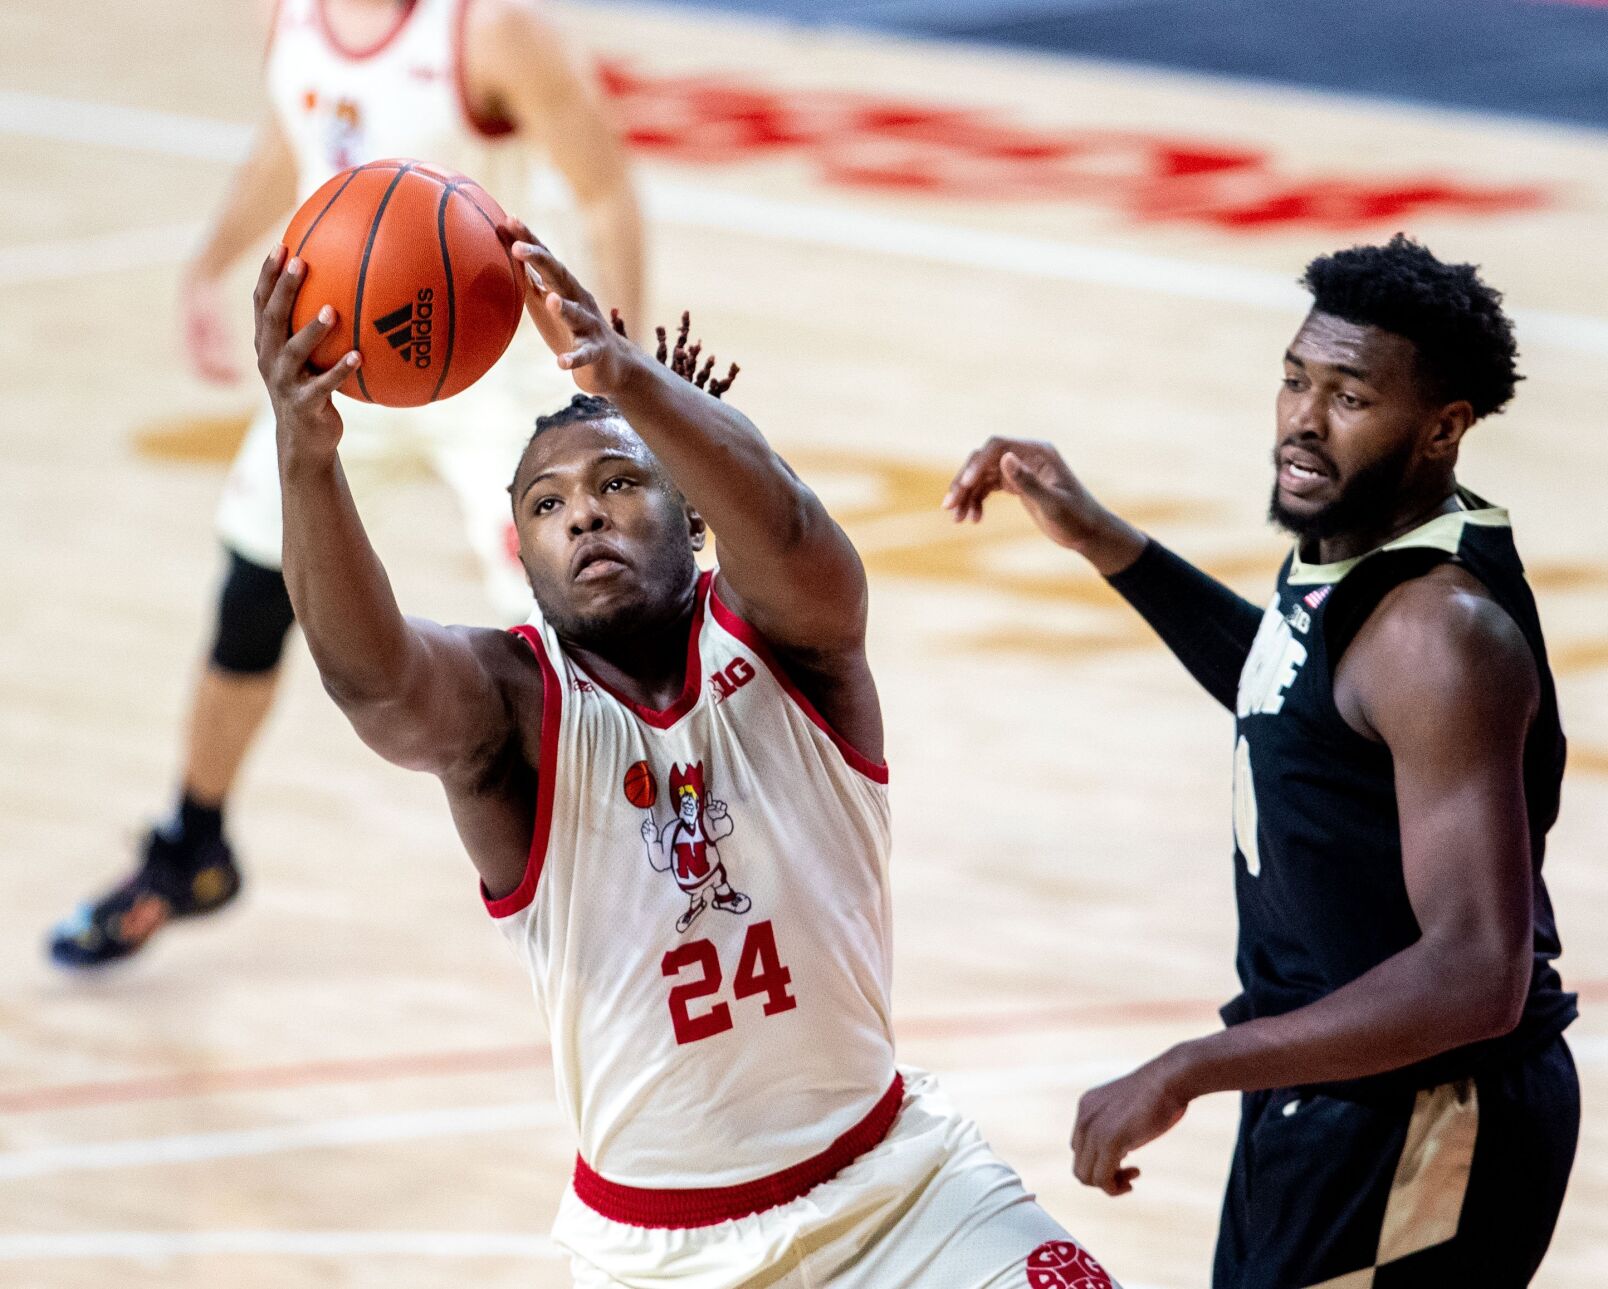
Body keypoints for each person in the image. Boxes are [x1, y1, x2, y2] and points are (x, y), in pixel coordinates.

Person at [238, 225, 1121, 1288]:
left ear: (691, 513)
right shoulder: (514, 711)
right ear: (521, 552)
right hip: (666, 1257)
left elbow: (790, 527)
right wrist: (306, 447)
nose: (585, 517)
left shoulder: (793, 638)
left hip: (905, 1191)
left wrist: (631, 380)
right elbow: (372, 680)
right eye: (547, 504)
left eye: (620, 482)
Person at [944, 235, 1577, 1287]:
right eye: (1295, 378)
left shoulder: (1438, 632)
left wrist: (1191, 1065)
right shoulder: (1364, 540)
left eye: (1349, 397)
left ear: (1443, 427)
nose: (1303, 421)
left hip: (1427, 1114)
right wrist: (1110, 545)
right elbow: (1302, 698)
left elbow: (1476, 974)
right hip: (1340, 1078)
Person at [49, 0, 643, 967]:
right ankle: (195, 847)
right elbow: (296, 147)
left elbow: (608, 190)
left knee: (592, 623)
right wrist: (210, 260)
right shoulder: (287, 17)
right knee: (250, 592)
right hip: (345, 369)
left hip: (492, 371)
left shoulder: (489, 32)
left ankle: (663, 852)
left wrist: (619, 368)